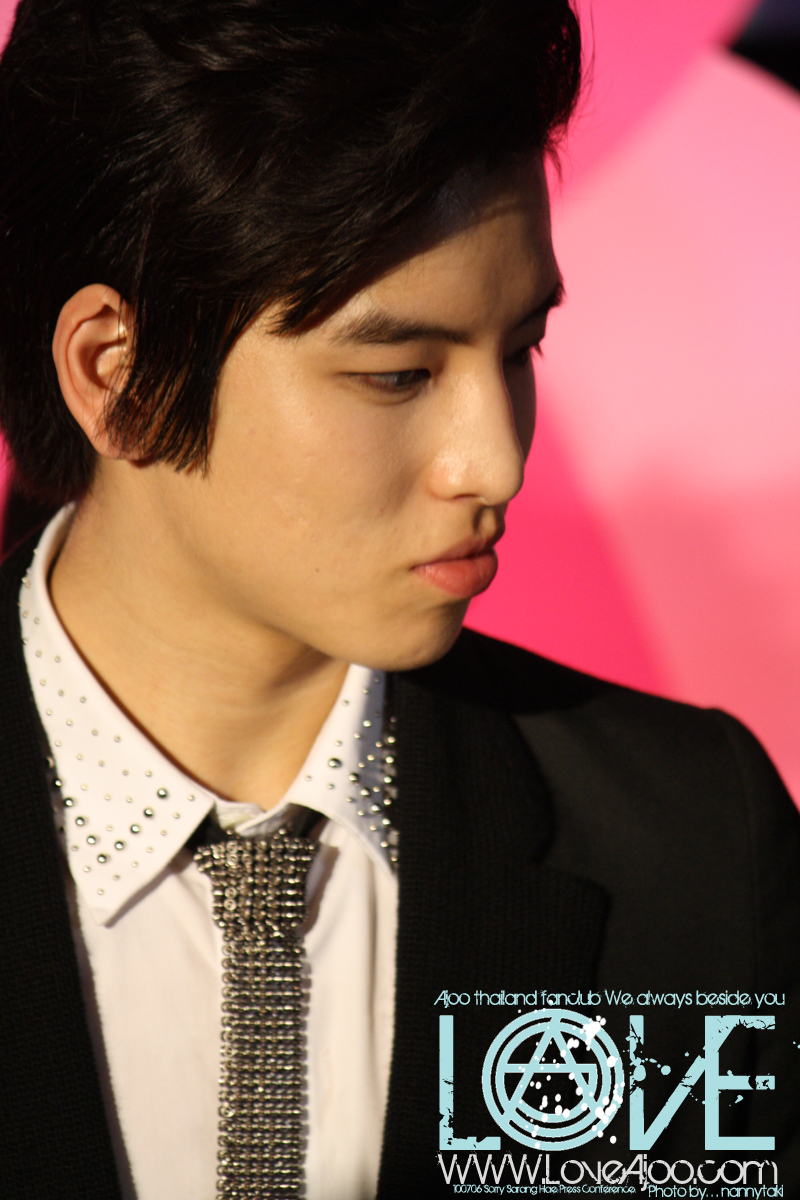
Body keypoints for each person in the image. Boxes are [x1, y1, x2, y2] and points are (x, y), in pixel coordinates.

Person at [0, 2, 797, 1198]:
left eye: (518, 347)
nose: (493, 460)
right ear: (116, 375)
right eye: (397, 375)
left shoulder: (682, 838)